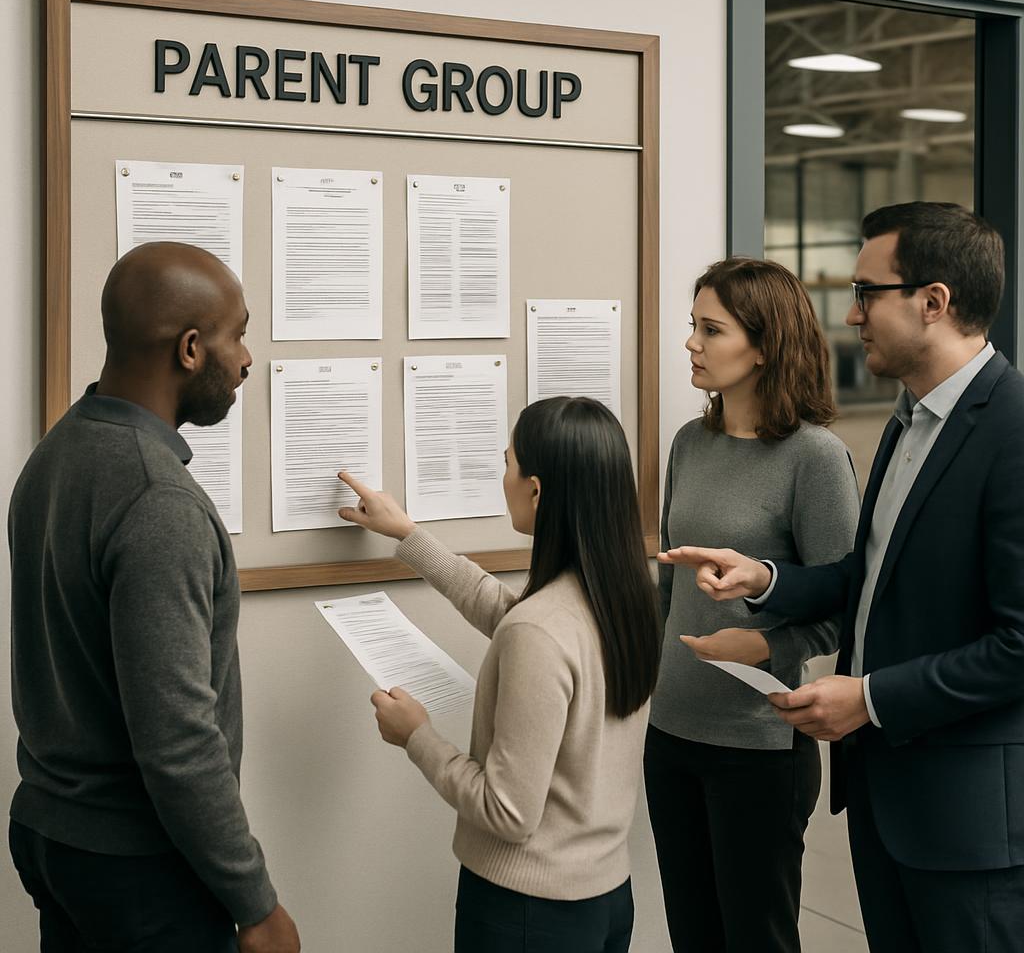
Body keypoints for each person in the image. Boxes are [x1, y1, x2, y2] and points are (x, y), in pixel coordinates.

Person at [665, 202, 1024, 953]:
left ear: (933, 303)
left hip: (968, 823)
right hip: (884, 797)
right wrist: (766, 578)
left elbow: (1019, 645)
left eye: (867, 292)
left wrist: (867, 697)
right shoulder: (908, 421)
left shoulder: (1011, 430)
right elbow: (867, 580)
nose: (850, 313)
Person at [8, 241, 300, 952]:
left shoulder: (56, 454)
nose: (248, 358)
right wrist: (256, 903)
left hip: (56, 837)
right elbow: (177, 741)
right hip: (137, 868)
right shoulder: (158, 502)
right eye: (238, 334)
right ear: (192, 349)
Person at [336, 396, 662, 953]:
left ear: (536, 490)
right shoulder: (627, 601)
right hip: (604, 899)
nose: (501, 473)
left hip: (528, 915)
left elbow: (506, 812)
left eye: (508, 461)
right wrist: (409, 536)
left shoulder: (540, 629)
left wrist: (415, 735)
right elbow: (509, 613)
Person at [645, 258, 859, 953]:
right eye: (693, 326)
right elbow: (668, 590)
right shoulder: (688, 442)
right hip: (671, 734)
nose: (692, 344)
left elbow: (842, 602)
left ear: (764, 346)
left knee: (756, 940)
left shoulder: (815, 459)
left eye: (711, 329)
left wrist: (765, 645)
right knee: (693, 937)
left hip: (759, 747)